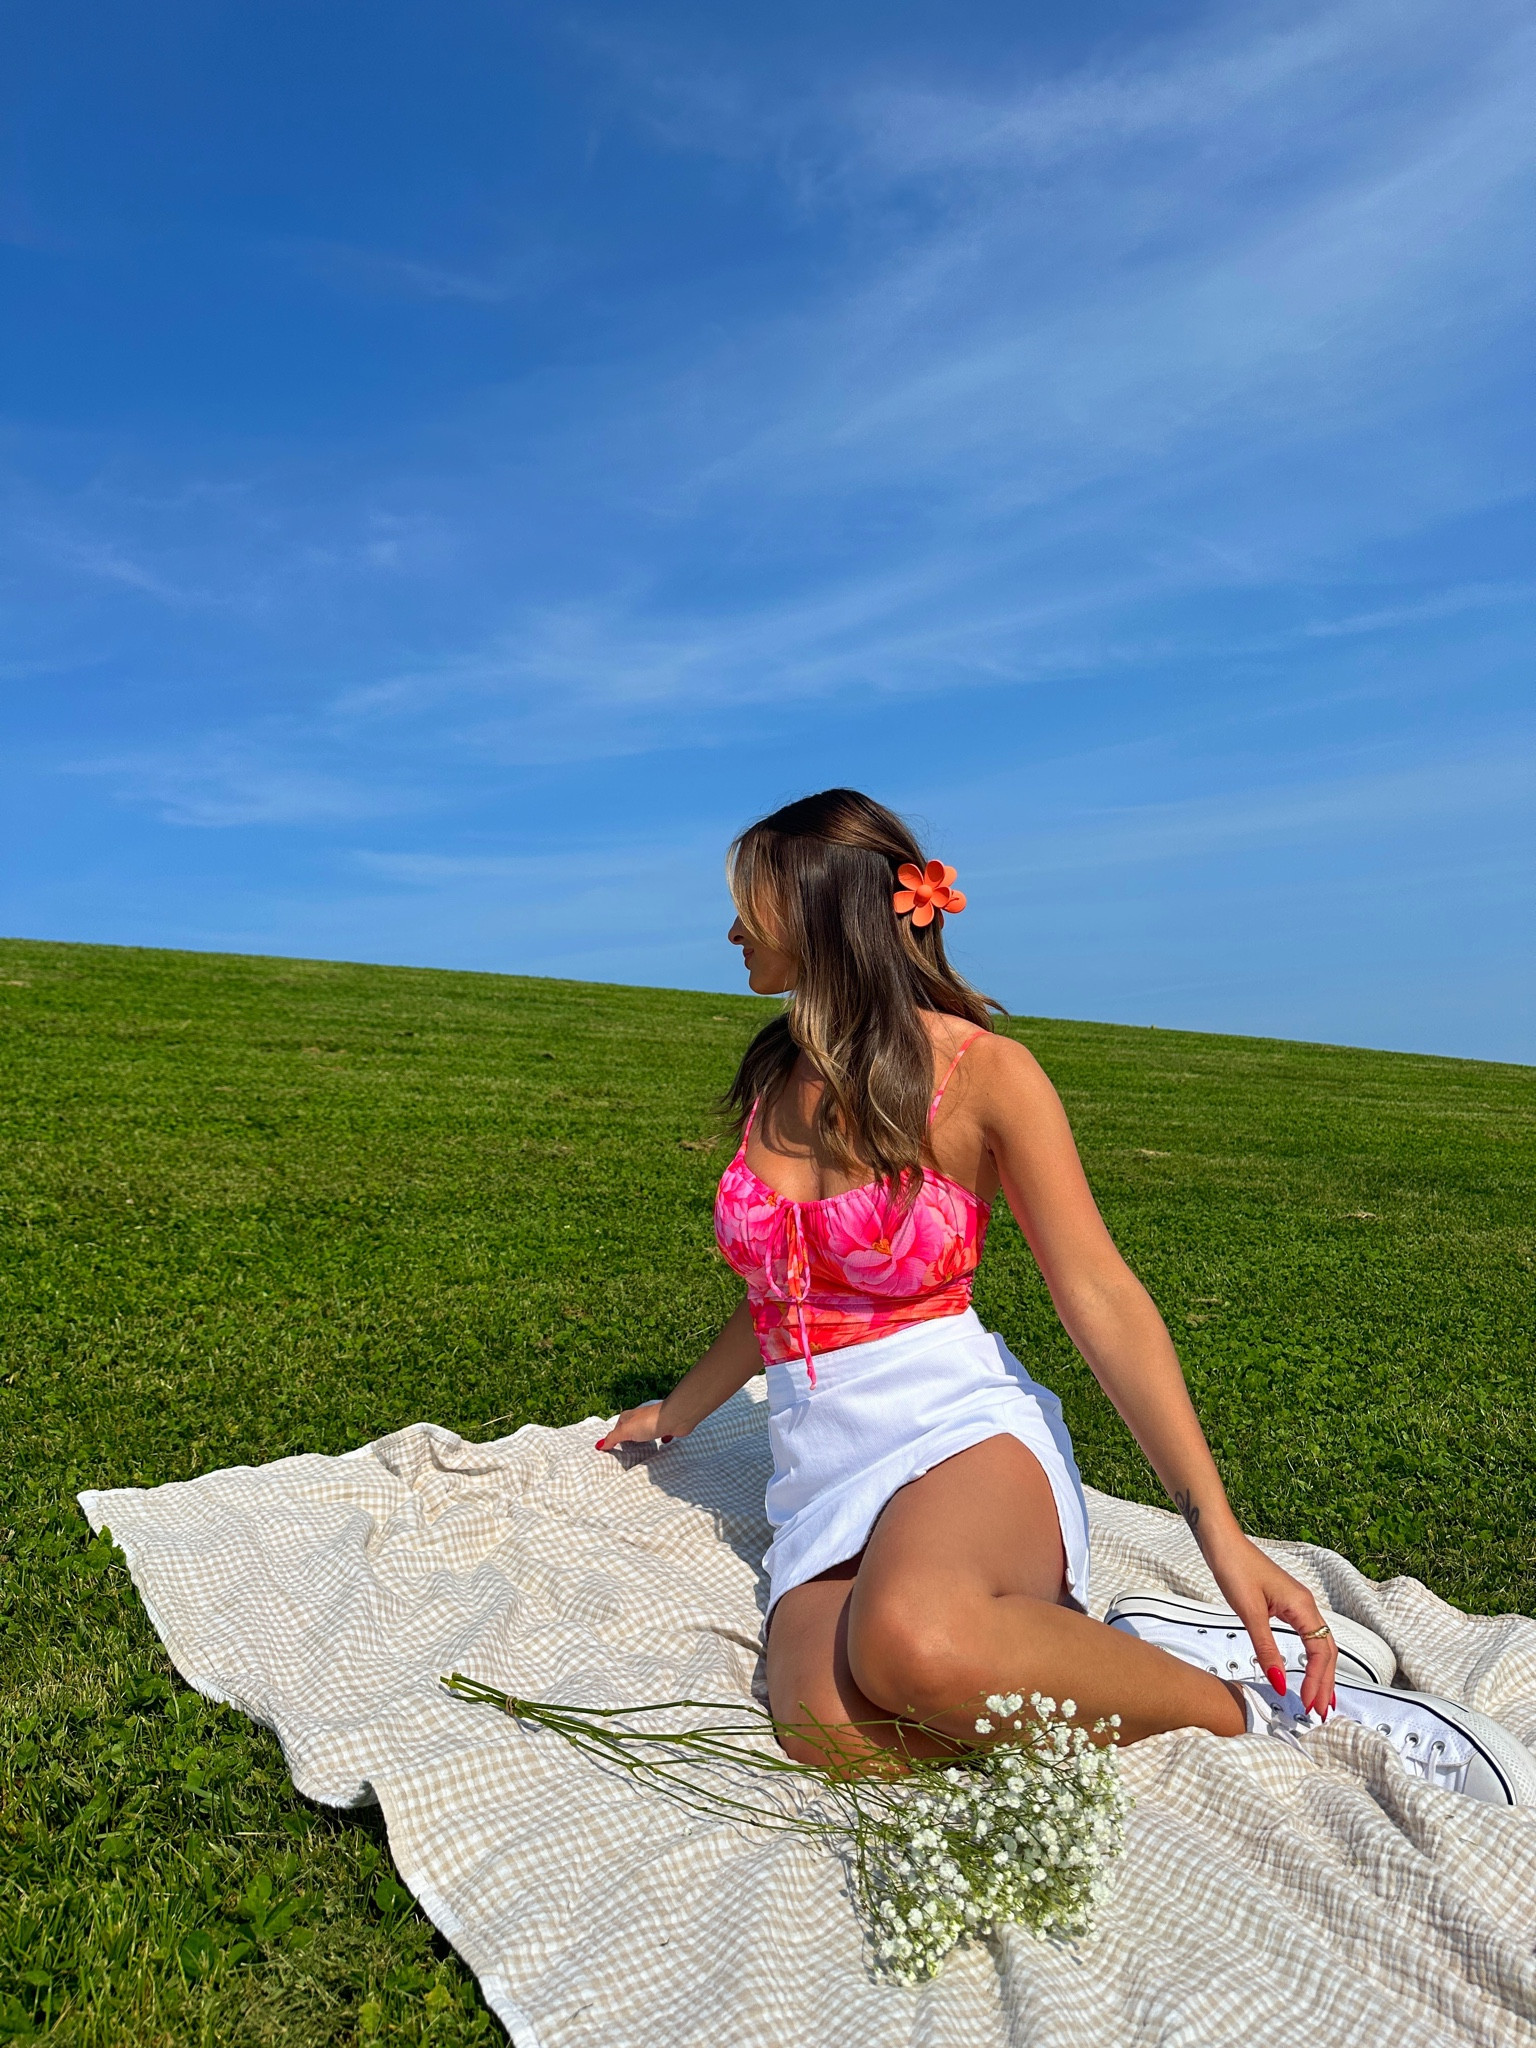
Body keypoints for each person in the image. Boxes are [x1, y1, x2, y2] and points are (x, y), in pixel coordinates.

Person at [600, 790, 1532, 1805]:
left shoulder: (985, 1076)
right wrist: (681, 1410)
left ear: (823, 911)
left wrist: (1219, 1531)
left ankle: (1271, 1716)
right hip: (820, 1465)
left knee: (919, 1641)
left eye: (753, 905)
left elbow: (1100, 1293)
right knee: (839, 1736)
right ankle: (1096, 1651)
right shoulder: (777, 1070)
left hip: (955, 1429)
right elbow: (782, 1290)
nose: (733, 929)